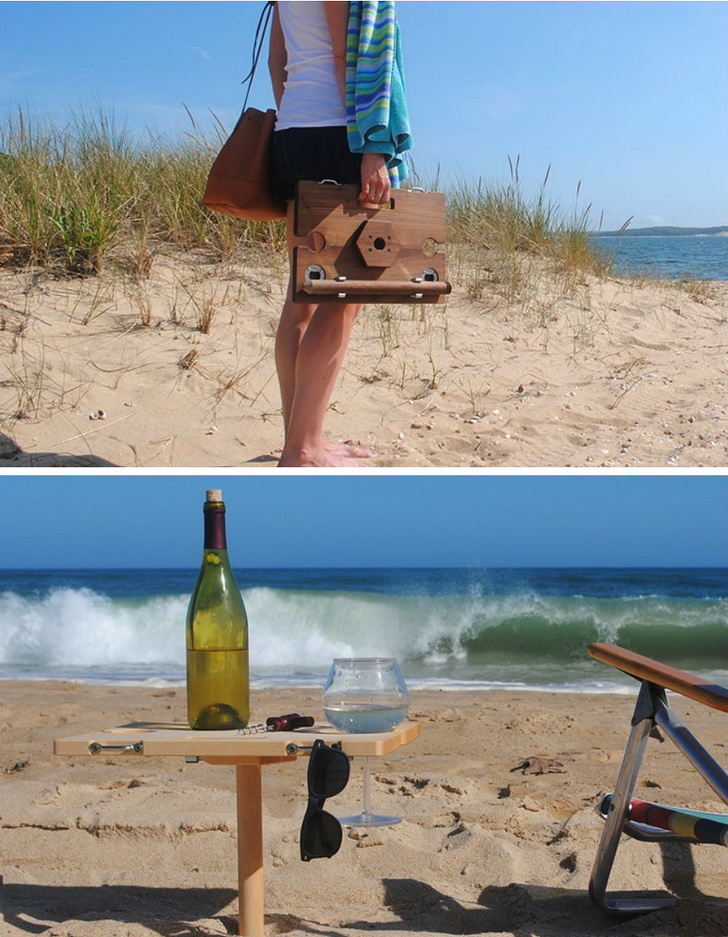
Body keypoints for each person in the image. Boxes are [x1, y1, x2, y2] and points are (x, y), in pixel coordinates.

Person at [268, 0, 412, 467]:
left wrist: (296, 115)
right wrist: (372, 147)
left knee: (303, 296)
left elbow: (278, 60)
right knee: (342, 295)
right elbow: (344, 56)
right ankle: (303, 448)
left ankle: (299, 435)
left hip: (296, 132)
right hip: (340, 134)